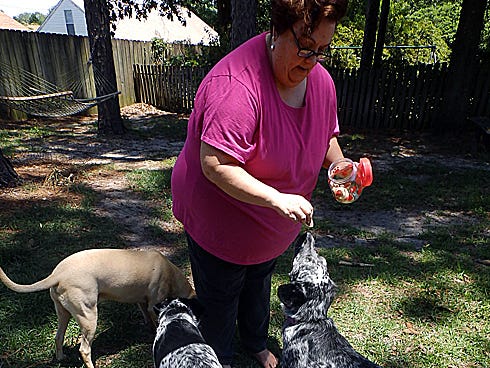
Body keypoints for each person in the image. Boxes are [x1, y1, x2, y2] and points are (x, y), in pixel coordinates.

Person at [171, 0, 348, 367]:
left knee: (258, 284)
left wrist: (340, 164)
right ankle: (219, 355)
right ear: (276, 30)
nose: (311, 60)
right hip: (219, 221)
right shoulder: (236, 84)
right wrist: (277, 199)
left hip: (269, 225)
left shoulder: (321, 82)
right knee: (220, 300)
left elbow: (325, 134)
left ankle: (254, 342)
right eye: (304, 45)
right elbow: (215, 164)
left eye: (322, 50)